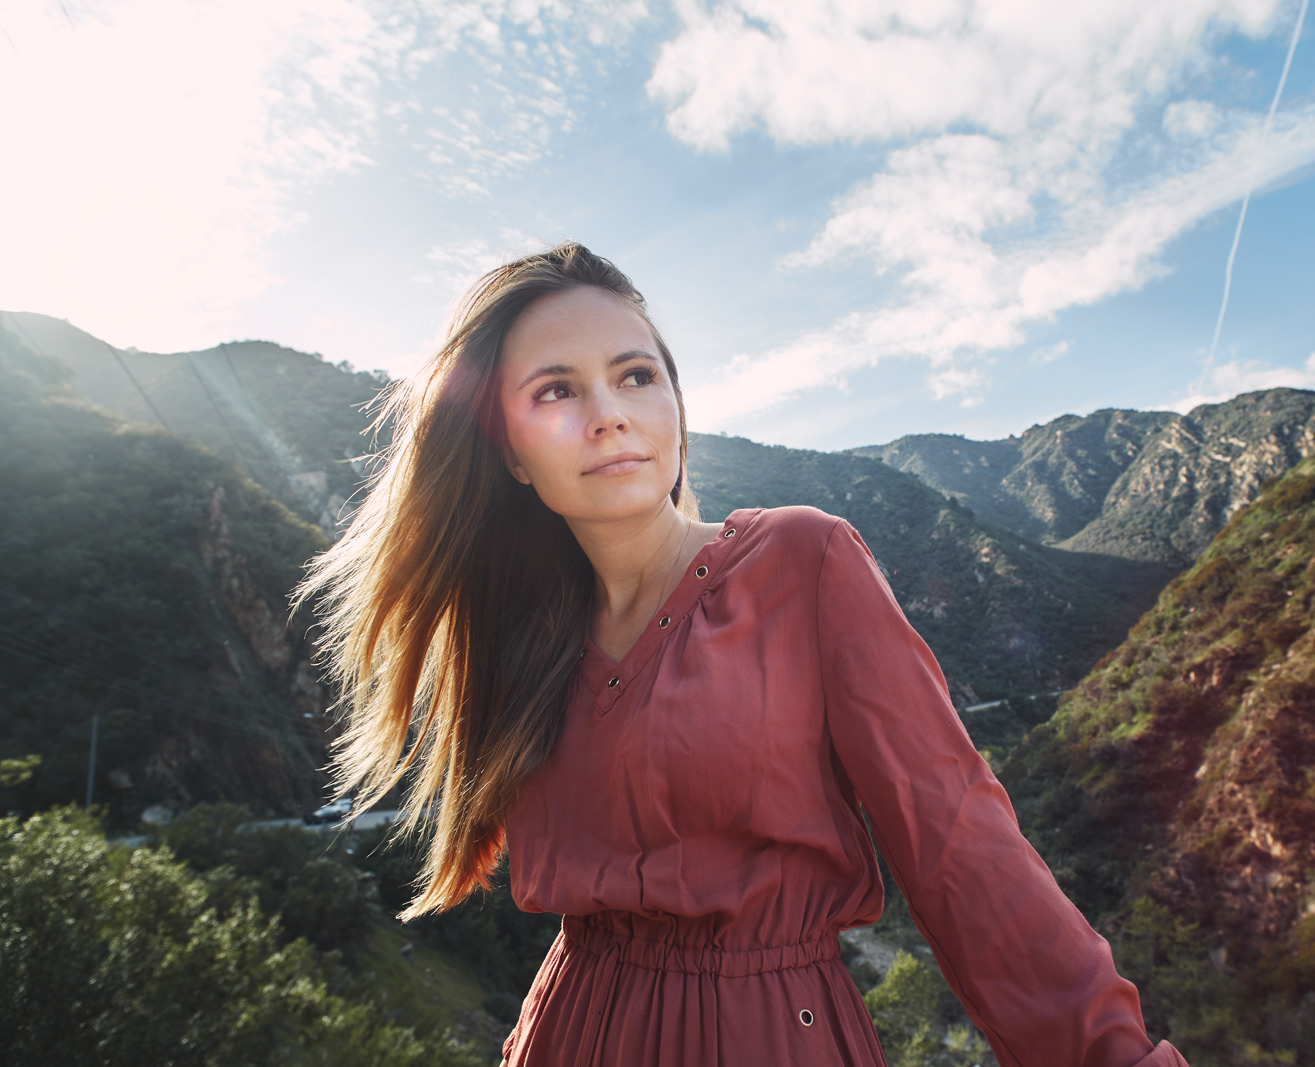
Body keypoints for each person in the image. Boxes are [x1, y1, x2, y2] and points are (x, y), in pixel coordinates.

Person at [298, 242, 1187, 1067]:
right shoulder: (519, 640)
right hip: (568, 1033)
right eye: (556, 392)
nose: (610, 415)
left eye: (635, 376)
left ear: (677, 411)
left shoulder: (805, 560)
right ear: (512, 454)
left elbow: (962, 846)